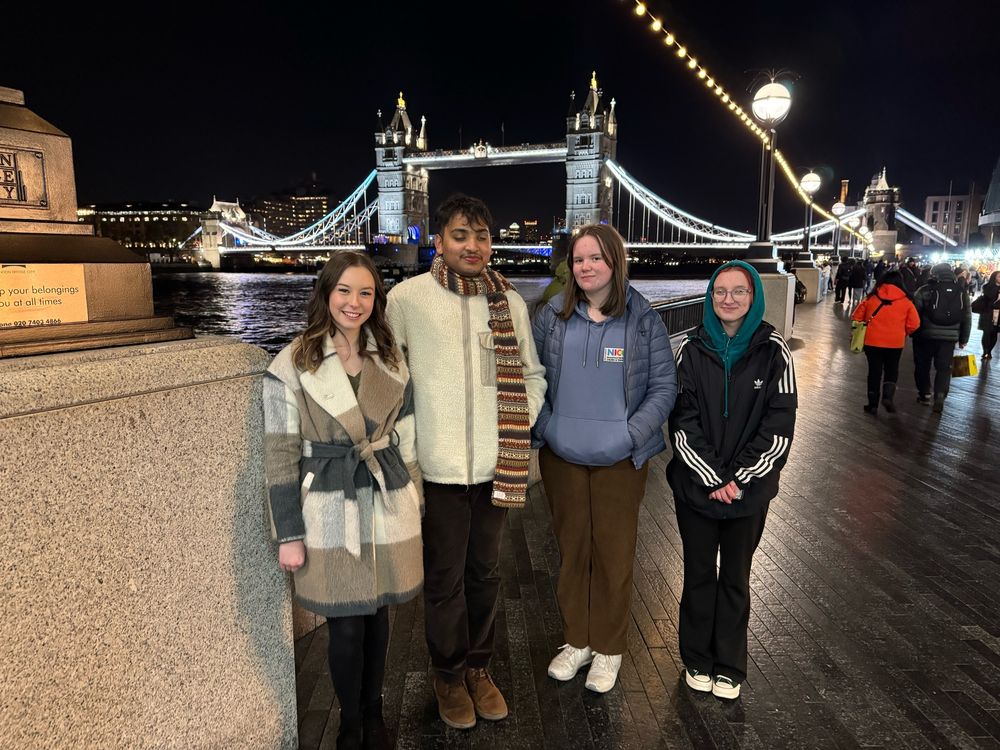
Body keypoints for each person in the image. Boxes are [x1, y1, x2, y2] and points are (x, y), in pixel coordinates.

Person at [386, 194, 546, 730]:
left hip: (498, 465)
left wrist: (519, 426)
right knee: (445, 578)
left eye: (481, 236)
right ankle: (448, 675)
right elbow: (393, 386)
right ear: (439, 241)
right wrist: (414, 450)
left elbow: (532, 374)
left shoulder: (510, 303)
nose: (472, 246)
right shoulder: (406, 300)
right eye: (460, 235)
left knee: (485, 573)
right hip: (440, 470)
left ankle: (479, 668)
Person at [263, 251, 423, 750]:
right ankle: (350, 723)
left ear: (376, 300)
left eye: (366, 293)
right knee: (345, 626)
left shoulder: (391, 357)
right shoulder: (292, 362)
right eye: (344, 291)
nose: (354, 303)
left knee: (379, 620)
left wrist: (415, 497)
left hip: (386, 495)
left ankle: (374, 714)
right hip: (329, 505)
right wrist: (288, 532)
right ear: (326, 294)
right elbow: (278, 453)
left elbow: (409, 435)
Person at [531, 225, 676, 694]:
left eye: (596, 258)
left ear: (615, 262)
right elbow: (532, 379)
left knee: (614, 553)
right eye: (578, 259)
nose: (586, 267)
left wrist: (631, 435)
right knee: (573, 552)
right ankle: (577, 641)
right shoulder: (551, 316)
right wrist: (548, 428)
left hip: (621, 459)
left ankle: (609, 648)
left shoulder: (644, 319)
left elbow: (663, 387)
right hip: (562, 455)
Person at [667, 260, 797, 702]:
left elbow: (780, 426)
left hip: (748, 493)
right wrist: (711, 477)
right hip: (696, 490)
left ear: (754, 295)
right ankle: (696, 659)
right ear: (710, 296)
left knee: (736, 578)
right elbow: (681, 421)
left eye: (738, 291)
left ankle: (730, 665)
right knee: (699, 574)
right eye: (720, 291)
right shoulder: (689, 347)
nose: (728, 299)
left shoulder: (775, 350)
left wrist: (739, 479)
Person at [851, 270, 920, 413]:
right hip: (895, 343)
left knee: (874, 371)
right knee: (892, 370)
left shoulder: (871, 298)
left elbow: (856, 316)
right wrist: (902, 332)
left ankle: (872, 404)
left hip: (872, 341)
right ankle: (888, 397)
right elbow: (914, 324)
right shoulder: (906, 301)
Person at [911, 262, 972, 413]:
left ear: (934, 274)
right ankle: (939, 395)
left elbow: (914, 314)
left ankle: (924, 394)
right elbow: (967, 317)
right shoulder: (961, 292)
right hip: (949, 338)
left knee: (922, 366)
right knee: (944, 368)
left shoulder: (924, 290)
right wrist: (964, 338)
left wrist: (912, 332)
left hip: (925, 336)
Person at [977, 270, 1000, 359]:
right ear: (994, 277)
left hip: (998, 314)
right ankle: (985, 351)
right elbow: (988, 298)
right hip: (988, 313)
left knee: (994, 333)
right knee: (986, 332)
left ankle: (989, 351)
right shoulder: (987, 287)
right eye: (999, 276)